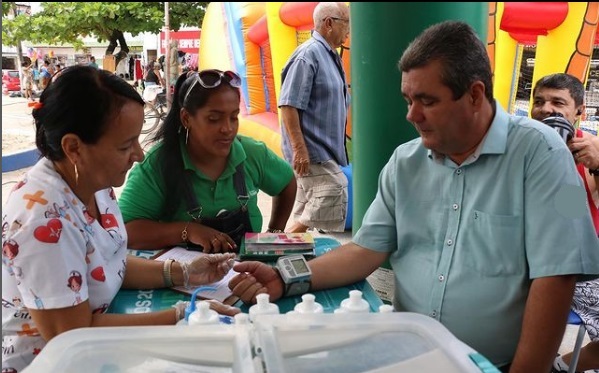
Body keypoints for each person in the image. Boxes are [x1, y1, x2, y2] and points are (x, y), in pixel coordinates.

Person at [228, 21, 599, 372]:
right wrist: (288, 277)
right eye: (408, 99)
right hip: (409, 356)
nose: (411, 115)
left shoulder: (544, 154)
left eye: (427, 101)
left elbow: (557, 276)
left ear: (474, 95)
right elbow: (365, 250)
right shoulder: (405, 162)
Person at [1, 66, 239, 372]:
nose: (139, 155)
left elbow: (106, 264)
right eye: (126, 145)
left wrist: (183, 273)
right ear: (74, 148)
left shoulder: (94, 185)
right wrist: (182, 316)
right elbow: (71, 335)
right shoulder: (42, 221)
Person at [118, 69, 297, 253]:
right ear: (186, 118)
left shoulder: (253, 153)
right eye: (214, 119)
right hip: (183, 276)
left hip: (245, 274)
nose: (227, 129)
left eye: (234, 117)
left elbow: (286, 182)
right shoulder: (159, 163)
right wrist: (187, 231)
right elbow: (125, 230)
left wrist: (274, 233)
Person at [530, 73, 599, 373]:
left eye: (558, 102)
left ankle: (561, 366)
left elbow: (569, 217)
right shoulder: (516, 146)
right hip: (525, 268)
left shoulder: (590, 153)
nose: (546, 109)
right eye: (539, 102)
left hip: (580, 271)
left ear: (579, 112)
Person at [278, 2, 351, 233]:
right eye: (346, 23)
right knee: (334, 187)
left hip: (324, 150)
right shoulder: (307, 55)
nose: (349, 31)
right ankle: (280, 244)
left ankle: (287, 252)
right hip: (311, 151)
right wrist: (300, 149)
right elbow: (289, 105)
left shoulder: (330, 56)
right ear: (329, 23)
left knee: (306, 206)